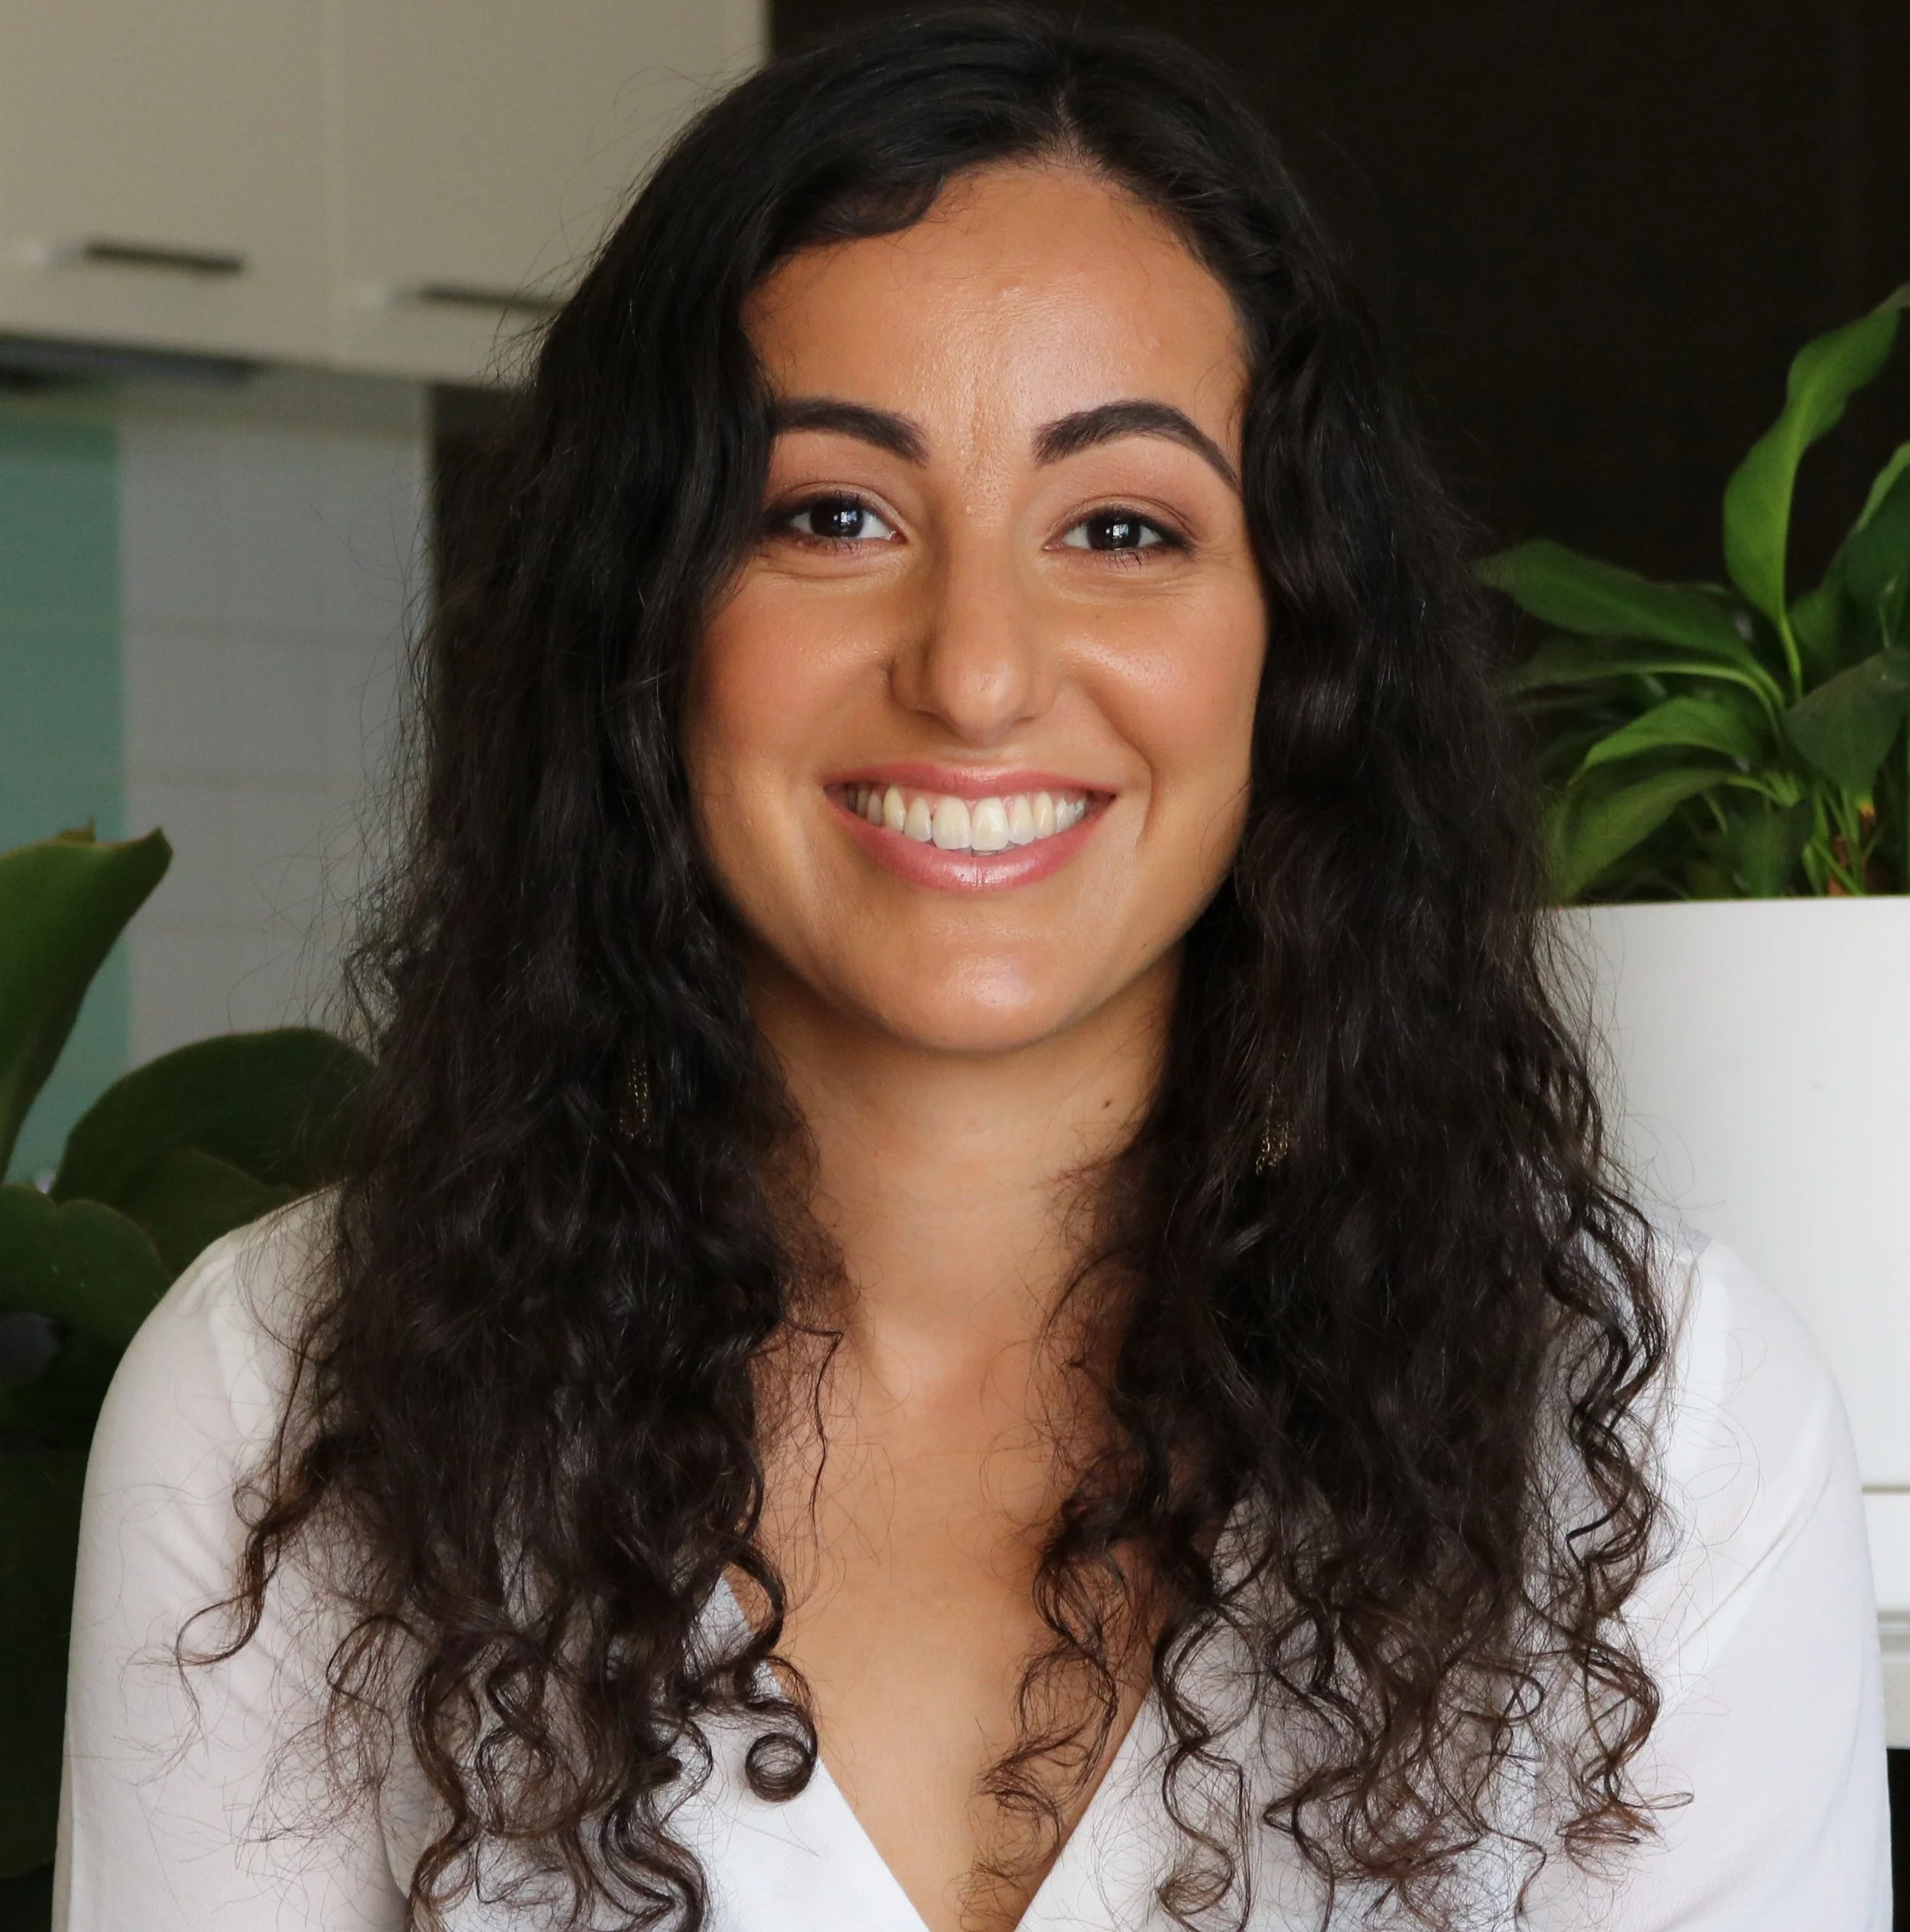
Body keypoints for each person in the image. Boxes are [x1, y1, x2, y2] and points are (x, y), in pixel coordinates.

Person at [55, 10, 1887, 1930]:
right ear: (644, 610)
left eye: (1119, 525)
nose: (979, 670)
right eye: (831, 514)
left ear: (1299, 641)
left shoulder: (1650, 1440)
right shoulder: (282, 1409)